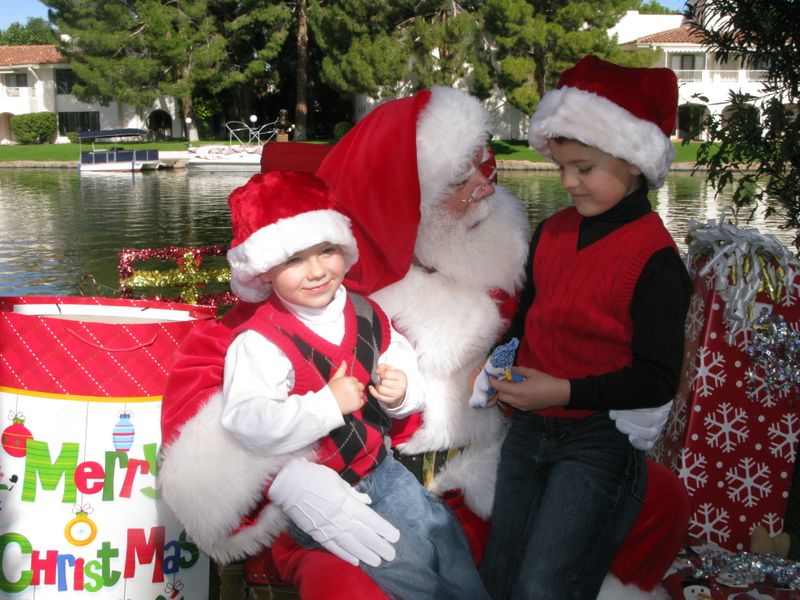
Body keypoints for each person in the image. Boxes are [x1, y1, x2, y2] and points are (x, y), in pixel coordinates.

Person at [159, 85, 690, 600]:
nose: (486, 185)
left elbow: (560, 331)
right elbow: (202, 401)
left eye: (489, 162)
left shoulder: (518, 249)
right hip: (356, 491)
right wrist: (284, 480)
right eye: (463, 175)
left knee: (656, 497)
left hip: (490, 471)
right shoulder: (314, 286)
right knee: (343, 586)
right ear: (412, 197)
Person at [477, 55, 693, 599]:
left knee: (544, 584)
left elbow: (657, 378)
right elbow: (529, 321)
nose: (569, 182)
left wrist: (565, 391)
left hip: (599, 438)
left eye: (584, 168)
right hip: (529, 430)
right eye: (562, 167)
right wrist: (498, 364)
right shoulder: (551, 232)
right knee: (501, 573)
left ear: (634, 163)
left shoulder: (657, 260)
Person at [218, 170, 487, 599]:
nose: (317, 271)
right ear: (264, 273)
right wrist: (325, 405)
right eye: (294, 260)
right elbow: (247, 421)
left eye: (326, 251)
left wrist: (402, 390)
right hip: (321, 495)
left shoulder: (362, 310)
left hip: (381, 471)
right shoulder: (261, 341)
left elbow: (394, 348)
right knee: (406, 563)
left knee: (445, 539)